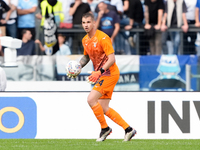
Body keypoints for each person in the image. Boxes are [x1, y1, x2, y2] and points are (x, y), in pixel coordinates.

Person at [67, 12, 136, 141]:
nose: (86, 25)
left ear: (94, 23)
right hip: (103, 74)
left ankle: (105, 129)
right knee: (103, 108)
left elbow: (112, 58)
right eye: (83, 22)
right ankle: (128, 129)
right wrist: (78, 67)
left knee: (91, 99)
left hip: (109, 73)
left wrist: (99, 71)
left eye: (88, 22)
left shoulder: (103, 38)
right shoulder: (85, 40)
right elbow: (86, 56)